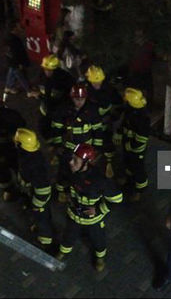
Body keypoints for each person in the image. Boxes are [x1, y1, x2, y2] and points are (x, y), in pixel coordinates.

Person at [56, 143, 123, 272]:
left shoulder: (98, 180)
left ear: (85, 163)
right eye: (72, 158)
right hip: (74, 214)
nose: (71, 162)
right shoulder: (70, 170)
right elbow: (63, 180)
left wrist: (98, 210)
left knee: (98, 240)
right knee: (68, 235)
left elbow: (117, 199)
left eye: (75, 160)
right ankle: (63, 252)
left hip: (93, 219)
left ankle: (100, 258)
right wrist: (65, 193)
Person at [49, 84, 104, 203]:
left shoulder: (92, 110)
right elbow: (56, 128)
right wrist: (58, 145)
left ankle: (77, 191)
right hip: (69, 149)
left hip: (85, 151)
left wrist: (97, 148)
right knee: (63, 170)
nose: (79, 102)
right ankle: (62, 191)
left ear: (86, 97)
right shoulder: (63, 108)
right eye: (76, 99)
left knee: (83, 173)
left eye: (81, 99)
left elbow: (98, 130)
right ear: (71, 97)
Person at [13, 128, 54, 248]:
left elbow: (43, 187)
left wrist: (37, 204)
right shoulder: (30, 154)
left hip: (39, 194)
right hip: (34, 191)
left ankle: (46, 239)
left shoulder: (30, 161)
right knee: (42, 214)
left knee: (41, 216)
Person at [85, 65, 123, 178]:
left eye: (99, 82)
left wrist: (112, 117)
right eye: (94, 82)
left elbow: (119, 104)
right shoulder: (86, 89)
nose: (96, 84)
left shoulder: (109, 90)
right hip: (91, 122)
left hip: (106, 122)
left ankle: (109, 163)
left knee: (107, 142)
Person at [27, 55, 75, 139]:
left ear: (56, 69)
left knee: (55, 132)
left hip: (57, 112)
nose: (47, 72)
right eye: (45, 69)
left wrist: (39, 95)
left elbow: (56, 99)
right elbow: (39, 85)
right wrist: (35, 89)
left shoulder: (62, 80)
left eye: (49, 70)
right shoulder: (44, 76)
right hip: (46, 110)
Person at [116, 87, 151, 202]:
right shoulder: (131, 109)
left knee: (138, 169)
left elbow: (141, 139)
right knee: (127, 163)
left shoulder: (143, 118)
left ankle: (139, 190)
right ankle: (128, 180)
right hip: (128, 143)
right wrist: (120, 133)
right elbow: (124, 122)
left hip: (136, 149)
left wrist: (131, 146)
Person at [3, 22, 30, 97]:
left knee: (12, 71)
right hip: (16, 62)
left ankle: (9, 86)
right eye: (18, 26)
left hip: (11, 61)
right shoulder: (14, 40)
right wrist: (20, 63)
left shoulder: (8, 37)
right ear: (14, 28)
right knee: (20, 75)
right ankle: (29, 90)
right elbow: (16, 53)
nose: (20, 27)